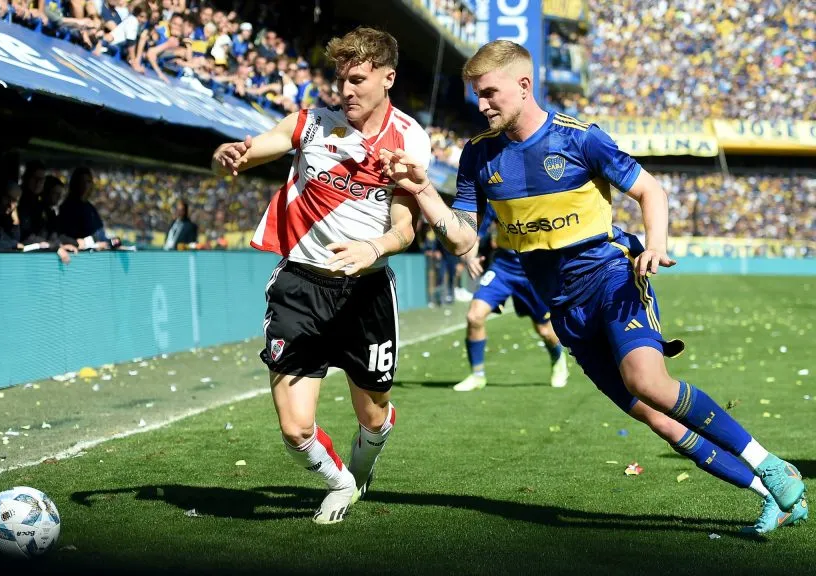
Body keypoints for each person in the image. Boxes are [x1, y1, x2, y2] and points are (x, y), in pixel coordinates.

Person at [378, 40, 806, 534]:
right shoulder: (478, 155)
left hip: (613, 279)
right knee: (659, 419)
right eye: (477, 95)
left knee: (649, 382)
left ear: (524, 85)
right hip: (563, 308)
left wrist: (654, 244)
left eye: (490, 92)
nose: (482, 104)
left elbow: (650, 189)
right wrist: (425, 191)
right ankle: (772, 493)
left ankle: (769, 461)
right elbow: (462, 240)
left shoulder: (579, 138)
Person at [210, 26, 430, 525]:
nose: (346, 90)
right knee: (294, 428)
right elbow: (246, 152)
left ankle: (366, 455)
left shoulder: (408, 139)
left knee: (373, 417)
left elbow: (405, 227)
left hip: (367, 290)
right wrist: (226, 154)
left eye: (358, 79)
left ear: (387, 78)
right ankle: (341, 482)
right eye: (340, 79)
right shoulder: (310, 125)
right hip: (301, 287)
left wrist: (373, 246)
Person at [453, 202, 569, 391]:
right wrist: (471, 257)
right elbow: (475, 235)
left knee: (545, 331)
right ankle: (477, 375)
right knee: (474, 316)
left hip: (535, 271)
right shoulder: (495, 199)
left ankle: (558, 359)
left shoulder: (544, 196)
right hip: (503, 268)